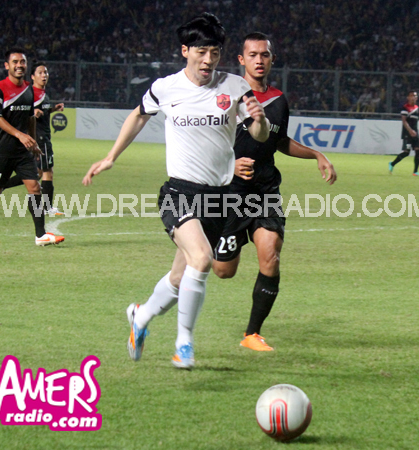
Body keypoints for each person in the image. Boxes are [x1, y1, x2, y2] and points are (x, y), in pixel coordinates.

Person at [82, 13, 270, 369]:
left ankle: (140, 317)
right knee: (201, 259)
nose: (208, 60)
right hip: (179, 193)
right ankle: (184, 343)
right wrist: (110, 157)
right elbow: (139, 115)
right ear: (185, 51)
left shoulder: (234, 87)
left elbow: (258, 135)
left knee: (180, 276)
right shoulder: (166, 88)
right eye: (201, 51)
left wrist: (259, 121)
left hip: (218, 198)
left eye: (215, 52)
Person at [211, 33, 337, 351]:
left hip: (264, 191)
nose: (259, 60)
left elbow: (279, 141)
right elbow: (204, 142)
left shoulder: (279, 100)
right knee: (223, 271)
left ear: (272, 59)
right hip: (228, 193)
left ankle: (252, 334)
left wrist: (316, 155)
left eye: (264, 55)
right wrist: (229, 164)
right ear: (241, 59)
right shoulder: (225, 96)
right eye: (252, 55)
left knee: (270, 255)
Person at [0, 47, 64, 246]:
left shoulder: (29, 90)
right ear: (7, 65)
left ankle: (41, 235)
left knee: (34, 187)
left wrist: (32, 141)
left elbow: (31, 117)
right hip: (2, 149)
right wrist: (19, 135)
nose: (19, 65)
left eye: (22, 62)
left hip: (23, 151)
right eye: (15, 62)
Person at [31, 61, 65, 215]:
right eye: (40, 72)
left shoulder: (43, 94)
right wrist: (33, 113)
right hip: (40, 137)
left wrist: (53, 109)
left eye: (45, 72)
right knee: (47, 172)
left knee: (37, 173)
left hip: (43, 135)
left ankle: (1, 186)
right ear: (33, 76)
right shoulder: (32, 94)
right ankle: (47, 207)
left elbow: (42, 112)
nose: (44, 75)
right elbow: (24, 112)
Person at [388, 90, 419, 176]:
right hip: (407, 133)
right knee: (406, 152)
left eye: (415, 96)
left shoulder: (417, 108)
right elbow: (404, 121)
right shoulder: (405, 108)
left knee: (418, 151)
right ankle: (392, 164)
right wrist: (410, 131)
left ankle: (415, 172)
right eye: (412, 96)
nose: (413, 97)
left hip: (415, 133)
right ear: (408, 97)